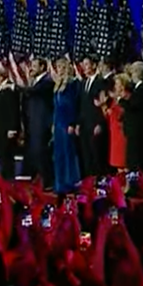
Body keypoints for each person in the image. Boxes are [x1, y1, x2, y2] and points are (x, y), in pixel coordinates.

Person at [22, 58, 54, 185]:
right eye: (31, 65)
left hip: (42, 124)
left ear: (42, 67)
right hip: (33, 124)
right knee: (34, 153)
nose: (31, 68)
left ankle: (47, 182)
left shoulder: (47, 82)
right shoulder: (35, 82)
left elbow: (33, 91)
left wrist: (15, 86)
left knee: (41, 153)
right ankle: (37, 181)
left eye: (35, 66)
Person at [51, 58, 81, 193]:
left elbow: (74, 105)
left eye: (63, 67)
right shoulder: (57, 85)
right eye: (58, 67)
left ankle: (71, 183)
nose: (60, 70)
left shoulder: (72, 84)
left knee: (69, 153)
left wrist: (72, 123)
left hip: (67, 123)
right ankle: (60, 184)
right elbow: (56, 107)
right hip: (58, 123)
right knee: (59, 154)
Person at [77, 56, 108, 177]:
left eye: (87, 64)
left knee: (97, 155)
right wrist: (79, 123)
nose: (84, 68)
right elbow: (82, 105)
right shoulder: (84, 82)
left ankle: (99, 184)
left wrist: (100, 123)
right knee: (87, 155)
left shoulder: (101, 82)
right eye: (83, 64)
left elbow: (103, 106)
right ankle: (89, 184)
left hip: (95, 125)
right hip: (85, 125)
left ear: (94, 65)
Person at [0, 65, 20, 179]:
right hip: (0, 131)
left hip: (6, 132)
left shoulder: (8, 90)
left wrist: (12, 128)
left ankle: (9, 183)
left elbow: (13, 110)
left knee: (7, 158)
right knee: (3, 158)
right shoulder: (0, 90)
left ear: (0, 78)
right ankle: (5, 181)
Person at [100, 73, 128, 171]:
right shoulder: (113, 100)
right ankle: (121, 184)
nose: (115, 86)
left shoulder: (125, 97)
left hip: (122, 133)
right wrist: (104, 107)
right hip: (114, 133)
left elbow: (123, 113)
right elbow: (109, 116)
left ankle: (130, 183)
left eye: (117, 84)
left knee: (124, 162)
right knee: (117, 164)